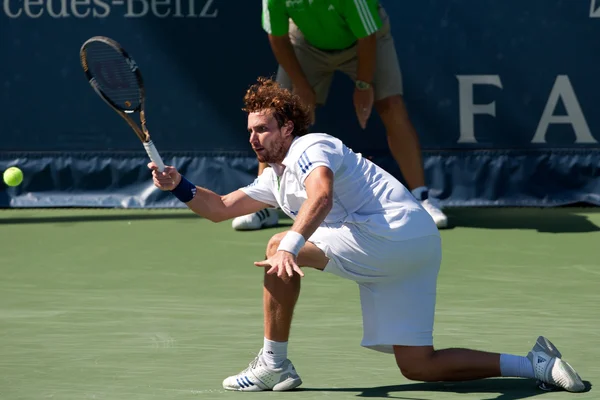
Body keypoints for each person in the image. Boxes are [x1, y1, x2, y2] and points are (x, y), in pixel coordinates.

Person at [149, 78, 584, 393]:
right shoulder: (275, 179)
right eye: (249, 131)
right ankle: (536, 366)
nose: (254, 138)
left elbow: (320, 197)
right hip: (415, 248)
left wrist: (292, 246)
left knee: (277, 245)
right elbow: (219, 209)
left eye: (262, 129)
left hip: (386, 235)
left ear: (287, 127)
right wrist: (179, 186)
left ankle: (273, 365)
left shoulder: (311, 146)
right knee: (418, 365)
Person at [231, 0, 448, 232]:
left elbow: (367, 35)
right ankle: (264, 206)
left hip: (363, 40)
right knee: (275, 114)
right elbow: (278, 37)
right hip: (306, 43)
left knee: (391, 104)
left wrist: (364, 85)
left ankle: (422, 197)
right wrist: (302, 85)